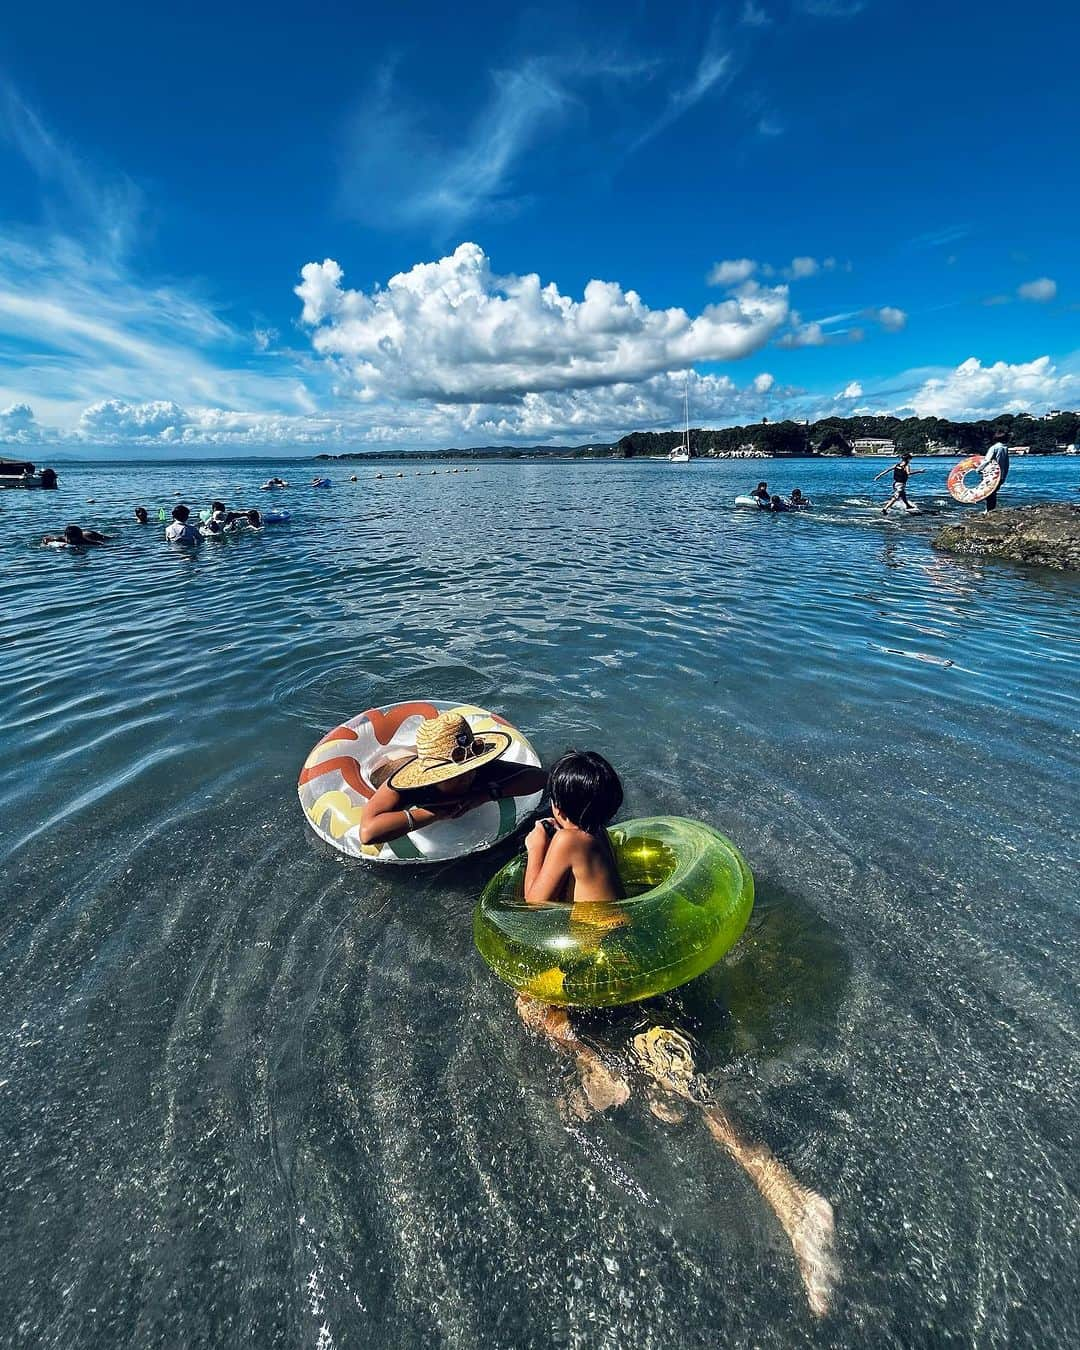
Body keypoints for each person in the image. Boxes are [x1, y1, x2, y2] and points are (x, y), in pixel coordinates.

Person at [359, 710, 547, 846]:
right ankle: (422, 752)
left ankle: (435, 752)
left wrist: (486, 795)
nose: (466, 777)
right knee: (397, 759)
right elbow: (368, 832)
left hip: (438, 757)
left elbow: (539, 777)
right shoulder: (407, 785)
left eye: (469, 771)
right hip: (394, 763)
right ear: (433, 776)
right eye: (455, 777)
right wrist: (433, 813)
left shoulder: (476, 768)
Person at [523, 752, 624, 904]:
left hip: (594, 927)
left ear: (558, 808)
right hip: (613, 923)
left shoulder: (567, 840)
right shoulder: (598, 831)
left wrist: (536, 847)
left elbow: (534, 903)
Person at [979, 441, 1010, 511]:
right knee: (993, 493)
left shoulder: (994, 448)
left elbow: (987, 460)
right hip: (1000, 475)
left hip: (991, 474)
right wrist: (1004, 476)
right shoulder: (1005, 448)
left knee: (989, 493)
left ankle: (989, 510)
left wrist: (979, 469)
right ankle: (991, 509)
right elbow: (1006, 464)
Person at [42, 524, 108, 547]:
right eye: (68, 538)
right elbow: (45, 538)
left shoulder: (85, 541)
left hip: (91, 534)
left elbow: (100, 544)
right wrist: (46, 544)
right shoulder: (60, 539)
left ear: (79, 536)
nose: (70, 540)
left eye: (73, 538)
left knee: (108, 538)